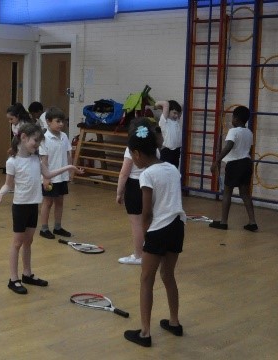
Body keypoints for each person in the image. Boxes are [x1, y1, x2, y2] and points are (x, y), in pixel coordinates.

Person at [0, 123, 83, 295]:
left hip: (34, 205)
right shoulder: (12, 162)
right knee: (17, 243)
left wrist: (69, 167)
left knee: (28, 241)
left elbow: (47, 175)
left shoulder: (36, 159)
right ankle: (13, 279)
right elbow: (7, 185)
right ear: (23, 137)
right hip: (20, 207)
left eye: (40, 142)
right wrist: (1, 193)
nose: (37, 145)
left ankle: (27, 274)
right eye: (35, 141)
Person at [123, 119, 186, 347]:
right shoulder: (171, 167)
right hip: (178, 227)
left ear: (138, 154)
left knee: (146, 279)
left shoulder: (147, 175)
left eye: (132, 154)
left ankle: (145, 333)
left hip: (159, 230)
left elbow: (146, 212)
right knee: (168, 275)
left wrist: (148, 234)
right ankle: (175, 322)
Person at [116, 125, 163, 265]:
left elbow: (124, 173)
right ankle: (153, 253)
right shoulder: (155, 150)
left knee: (136, 223)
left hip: (135, 187)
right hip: (151, 187)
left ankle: (138, 255)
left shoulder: (131, 148)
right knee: (150, 222)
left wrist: (119, 192)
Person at [209, 105, 258, 231]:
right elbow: (249, 149)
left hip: (235, 164)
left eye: (232, 117)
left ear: (236, 119)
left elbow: (228, 146)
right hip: (247, 163)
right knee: (245, 194)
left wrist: (216, 161)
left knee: (227, 192)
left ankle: (223, 222)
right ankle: (252, 222)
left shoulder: (233, 131)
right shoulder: (249, 132)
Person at [39, 107, 72, 239]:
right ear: (48, 121)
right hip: (50, 177)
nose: (61, 124)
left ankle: (57, 227)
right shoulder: (44, 138)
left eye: (62, 122)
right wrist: (46, 178)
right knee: (48, 202)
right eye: (57, 121)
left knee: (60, 201)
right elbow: (44, 160)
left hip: (62, 176)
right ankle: (44, 228)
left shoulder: (64, 136)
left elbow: (69, 154)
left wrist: (70, 171)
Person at [155, 100, 182, 168]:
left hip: (177, 151)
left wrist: (177, 108)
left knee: (174, 170)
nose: (176, 115)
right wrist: (156, 105)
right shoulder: (164, 121)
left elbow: (182, 106)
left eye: (177, 114)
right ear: (168, 111)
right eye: (174, 113)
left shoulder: (176, 121)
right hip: (167, 151)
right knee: (165, 171)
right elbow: (165, 103)